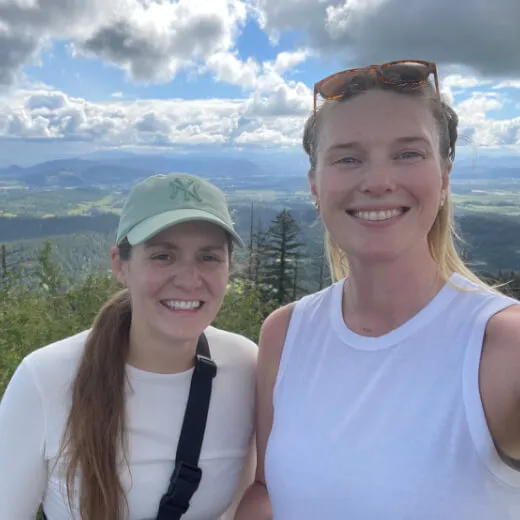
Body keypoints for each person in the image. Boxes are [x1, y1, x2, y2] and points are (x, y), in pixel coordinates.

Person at [234, 60, 520, 520]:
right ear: (315, 186)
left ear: (444, 177)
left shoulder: (500, 346)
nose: (378, 181)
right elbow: (268, 491)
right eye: (348, 157)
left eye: (408, 154)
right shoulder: (285, 334)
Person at [0, 172, 258, 520]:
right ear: (121, 266)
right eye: (163, 256)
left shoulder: (247, 367)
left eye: (208, 257)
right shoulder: (45, 379)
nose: (188, 279)